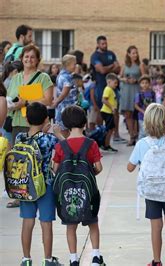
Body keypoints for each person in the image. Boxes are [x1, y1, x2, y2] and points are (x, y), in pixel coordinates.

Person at [127, 103, 165, 266]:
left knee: (156, 226)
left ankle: (156, 261)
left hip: (151, 191)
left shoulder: (142, 144)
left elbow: (130, 168)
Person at [52, 105, 105, 266]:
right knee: (93, 224)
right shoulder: (91, 143)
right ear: (84, 123)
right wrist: (88, 174)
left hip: (68, 193)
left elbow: (55, 169)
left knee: (70, 226)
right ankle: (96, 257)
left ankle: (73, 259)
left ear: (65, 125)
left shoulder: (61, 146)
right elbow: (99, 167)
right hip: (88, 193)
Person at [6, 44, 54, 209]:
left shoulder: (43, 78)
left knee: (37, 159)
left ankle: (38, 190)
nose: (29, 59)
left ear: (37, 60)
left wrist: (26, 102)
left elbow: (48, 100)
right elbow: (10, 98)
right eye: (26, 56)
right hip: (18, 122)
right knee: (19, 161)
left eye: (32, 57)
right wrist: (14, 104)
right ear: (21, 59)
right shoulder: (15, 78)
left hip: (36, 123)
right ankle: (19, 194)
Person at [16, 102, 63, 266]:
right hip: (45, 184)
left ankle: (26, 259)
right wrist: (56, 133)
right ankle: (48, 260)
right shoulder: (49, 139)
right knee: (46, 223)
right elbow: (65, 147)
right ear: (46, 120)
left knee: (27, 221)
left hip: (25, 186)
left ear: (27, 120)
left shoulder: (19, 137)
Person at [89, 35, 120, 127]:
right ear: (98, 44)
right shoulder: (95, 56)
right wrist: (111, 66)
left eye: (106, 43)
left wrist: (107, 68)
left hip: (114, 86)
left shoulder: (111, 54)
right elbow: (101, 70)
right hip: (101, 86)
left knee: (115, 109)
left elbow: (118, 68)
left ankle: (116, 133)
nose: (105, 45)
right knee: (100, 109)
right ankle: (101, 129)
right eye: (102, 44)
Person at [120, 45, 146, 145]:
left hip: (136, 90)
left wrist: (137, 80)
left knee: (137, 114)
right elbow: (120, 77)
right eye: (133, 53)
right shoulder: (124, 65)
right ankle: (132, 136)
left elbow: (145, 78)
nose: (135, 55)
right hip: (126, 90)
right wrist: (125, 80)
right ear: (128, 54)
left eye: (136, 52)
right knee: (128, 114)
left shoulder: (141, 65)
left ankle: (139, 135)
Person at [53, 55, 78, 137]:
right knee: (65, 131)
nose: (75, 66)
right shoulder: (66, 77)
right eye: (74, 64)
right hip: (65, 108)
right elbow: (65, 91)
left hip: (64, 107)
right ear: (68, 64)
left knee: (64, 131)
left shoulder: (61, 75)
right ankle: (65, 148)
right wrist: (57, 101)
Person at [100, 73, 120, 152]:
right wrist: (112, 107)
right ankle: (106, 144)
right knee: (109, 129)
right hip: (106, 111)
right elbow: (104, 100)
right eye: (115, 83)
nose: (116, 84)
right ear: (109, 82)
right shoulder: (108, 89)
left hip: (109, 112)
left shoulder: (111, 90)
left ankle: (106, 144)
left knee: (110, 129)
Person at [134, 75, 155, 140]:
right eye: (143, 83)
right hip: (141, 116)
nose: (145, 84)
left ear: (149, 84)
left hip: (150, 116)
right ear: (140, 84)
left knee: (150, 132)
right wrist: (143, 111)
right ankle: (139, 146)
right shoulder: (139, 94)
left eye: (146, 83)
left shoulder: (152, 93)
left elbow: (154, 103)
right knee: (143, 132)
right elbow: (136, 105)